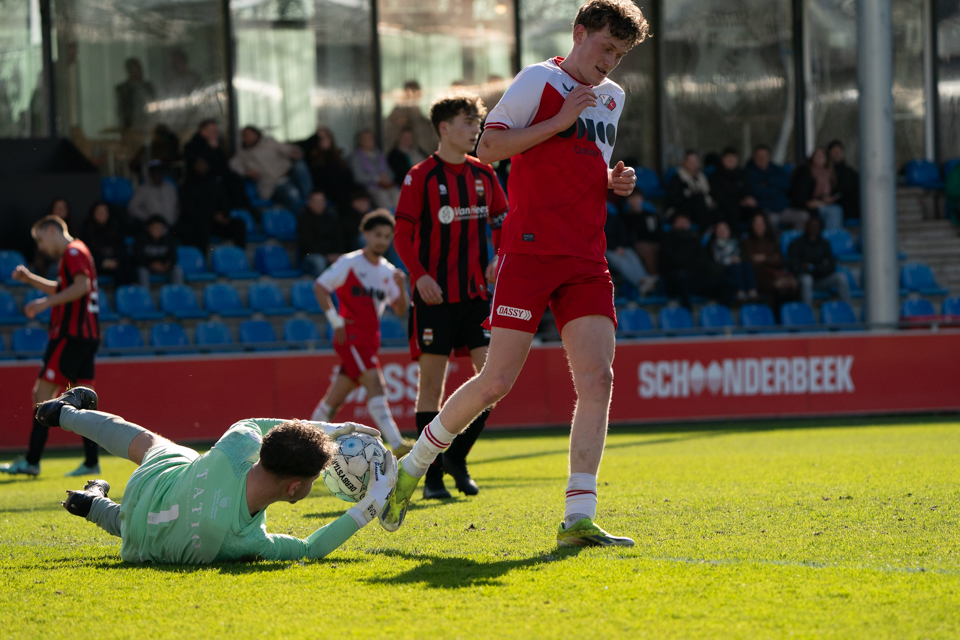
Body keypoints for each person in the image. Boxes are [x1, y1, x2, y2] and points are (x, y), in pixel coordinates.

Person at [379, 0, 648, 547]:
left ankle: (578, 515)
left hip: (586, 255)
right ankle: (412, 469)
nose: (611, 63)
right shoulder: (539, 81)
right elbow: (492, 145)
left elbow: (580, 166)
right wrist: (559, 119)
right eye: (605, 48)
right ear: (579, 33)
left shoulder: (613, 97)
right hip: (529, 251)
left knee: (599, 378)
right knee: (495, 382)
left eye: (620, 54)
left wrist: (613, 181)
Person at [40, 387, 396, 564]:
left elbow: (256, 424)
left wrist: (331, 428)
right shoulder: (245, 543)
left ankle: (64, 415)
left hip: (148, 486)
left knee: (157, 447)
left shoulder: (237, 447)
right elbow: (311, 548)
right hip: (137, 543)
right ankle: (93, 505)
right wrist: (371, 503)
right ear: (293, 489)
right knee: (152, 521)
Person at [393, 91, 509, 499]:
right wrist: (420, 275)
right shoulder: (421, 176)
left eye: (476, 122)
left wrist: (501, 257)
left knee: (493, 381)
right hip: (435, 298)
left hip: (477, 295)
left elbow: (502, 221)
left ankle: (455, 456)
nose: (475, 128)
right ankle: (431, 479)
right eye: (467, 122)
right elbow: (402, 234)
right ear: (444, 128)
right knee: (431, 387)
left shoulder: (484, 175)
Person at [0, 216, 100, 478]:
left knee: (40, 395)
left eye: (41, 240)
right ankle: (92, 462)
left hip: (69, 336)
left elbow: (81, 286)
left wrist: (45, 304)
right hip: (87, 337)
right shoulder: (81, 249)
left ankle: (32, 460)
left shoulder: (72, 251)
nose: (41, 247)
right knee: (84, 402)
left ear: (52, 230)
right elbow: (65, 287)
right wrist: (31, 279)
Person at [309, 210, 414, 458]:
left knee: (334, 400)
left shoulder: (389, 272)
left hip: (369, 340)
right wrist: (335, 321)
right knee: (376, 384)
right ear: (366, 234)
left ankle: (305, 437)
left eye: (387, 236)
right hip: (351, 337)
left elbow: (400, 309)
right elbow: (320, 287)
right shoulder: (350, 262)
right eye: (377, 235)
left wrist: (401, 285)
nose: (382, 240)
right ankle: (397, 444)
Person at [230, 126, 313, 213]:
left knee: (300, 165)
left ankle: (311, 197)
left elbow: (286, 148)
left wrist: (294, 151)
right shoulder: (242, 154)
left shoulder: (269, 142)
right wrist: (245, 171)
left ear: (256, 134)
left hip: (288, 174)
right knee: (292, 194)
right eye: (244, 135)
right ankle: (302, 220)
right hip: (273, 184)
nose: (247, 137)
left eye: (249, 134)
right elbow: (232, 165)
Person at [660, 212, 734, 309]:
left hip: (695, 279)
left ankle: (722, 316)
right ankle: (687, 316)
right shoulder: (667, 240)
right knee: (682, 277)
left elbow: (703, 262)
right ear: (673, 225)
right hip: (676, 281)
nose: (683, 224)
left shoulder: (695, 240)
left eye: (686, 222)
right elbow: (670, 262)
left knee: (726, 282)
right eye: (680, 222)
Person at [179, 155, 247, 252]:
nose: (202, 167)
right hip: (198, 223)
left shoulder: (214, 183)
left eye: (204, 164)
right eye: (199, 164)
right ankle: (202, 260)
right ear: (193, 166)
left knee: (239, 224)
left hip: (216, 223)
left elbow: (224, 202)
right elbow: (189, 209)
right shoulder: (186, 186)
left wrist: (223, 214)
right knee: (200, 228)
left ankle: (240, 255)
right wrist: (212, 215)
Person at [183, 119, 250, 211]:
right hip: (201, 188)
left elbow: (224, 168)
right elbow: (202, 170)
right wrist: (212, 150)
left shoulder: (218, 146)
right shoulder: (192, 147)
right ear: (203, 131)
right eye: (212, 130)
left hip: (220, 185)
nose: (215, 133)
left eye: (216, 131)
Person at [787, 217, 851, 307]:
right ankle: (808, 313)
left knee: (841, 277)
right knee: (807, 280)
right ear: (806, 227)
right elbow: (794, 266)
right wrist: (819, 267)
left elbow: (831, 266)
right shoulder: (796, 244)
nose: (813, 229)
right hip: (802, 280)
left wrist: (813, 267)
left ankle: (848, 309)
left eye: (816, 227)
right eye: (811, 226)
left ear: (820, 229)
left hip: (821, 280)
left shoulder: (824, 244)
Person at [741, 212, 798, 306]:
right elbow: (750, 263)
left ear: (766, 225)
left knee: (793, 284)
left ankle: (790, 315)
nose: (759, 226)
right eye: (756, 223)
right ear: (752, 225)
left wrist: (764, 258)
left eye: (761, 223)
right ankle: (777, 316)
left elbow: (780, 262)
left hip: (774, 274)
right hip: (758, 278)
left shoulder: (772, 242)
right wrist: (771, 259)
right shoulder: (747, 243)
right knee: (780, 286)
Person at [744, 145, 807, 230]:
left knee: (803, 216)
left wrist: (768, 183)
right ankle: (774, 243)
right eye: (759, 156)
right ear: (754, 157)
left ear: (769, 157)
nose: (762, 159)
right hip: (765, 209)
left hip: (783, 208)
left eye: (764, 156)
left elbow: (787, 184)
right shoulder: (749, 172)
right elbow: (758, 192)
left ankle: (794, 242)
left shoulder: (776, 169)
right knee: (771, 220)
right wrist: (777, 188)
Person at [299, 127, 358, 211]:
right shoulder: (313, 157)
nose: (324, 140)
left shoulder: (338, 156)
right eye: (320, 138)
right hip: (327, 192)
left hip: (344, 192)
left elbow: (347, 175)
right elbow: (301, 149)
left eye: (326, 137)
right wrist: (314, 137)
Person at [604, 201, 656, 297]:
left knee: (633, 258)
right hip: (606, 250)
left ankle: (644, 279)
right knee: (622, 262)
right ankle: (642, 282)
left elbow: (623, 233)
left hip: (621, 247)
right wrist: (614, 247)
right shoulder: (593, 222)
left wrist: (622, 246)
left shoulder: (614, 219)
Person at [790, 147, 843, 231]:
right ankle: (830, 240)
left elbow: (835, 191)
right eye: (817, 155)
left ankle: (833, 238)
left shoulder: (830, 173)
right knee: (833, 211)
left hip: (824, 204)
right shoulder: (804, 172)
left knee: (836, 209)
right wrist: (809, 202)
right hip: (807, 205)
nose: (820, 157)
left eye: (822, 155)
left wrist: (829, 199)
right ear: (812, 157)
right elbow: (798, 194)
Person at [81, 201, 130, 285]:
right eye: (99, 212)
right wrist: (103, 263)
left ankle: (124, 294)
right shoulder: (86, 231)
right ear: (93, 213)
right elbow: (86, 254)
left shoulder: (115, 229)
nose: (102, 214)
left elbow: (121, 251)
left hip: (114, 264)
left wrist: (114, 262)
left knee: (125, 269)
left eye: (104, 211)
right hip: (95, 265)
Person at [667, 150, 719, 229]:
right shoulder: (677, 179)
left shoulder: (702, 178)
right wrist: (689, 195)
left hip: (699, 210)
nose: (693, 163)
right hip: (682, 211)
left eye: (695, 161)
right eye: (690, 161)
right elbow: (674, 200)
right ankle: (707, 230)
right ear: (684, 162)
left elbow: (708, 194)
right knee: (698, 198)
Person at [298, 191, 345, 278]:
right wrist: (326, 255)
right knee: (319, 261)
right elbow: (308, 244)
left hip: (330, 254)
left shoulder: (332, 217)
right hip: (311, 256)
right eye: (315, 201)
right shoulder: (304, 219)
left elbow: (339, 238)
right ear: (309, 202)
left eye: (321, 201)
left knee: (346, 260)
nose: (318, 204)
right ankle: (322, 289)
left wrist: (338, 253)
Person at [349, 129, 400, 210]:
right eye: (365, 139)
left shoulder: (380, 154)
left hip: (386, 185)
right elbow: (358, 177)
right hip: (369, 187)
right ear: (361, 141)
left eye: (370, 138)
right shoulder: (356, 157)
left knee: (397, 194)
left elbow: (390, 172)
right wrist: (377, 178)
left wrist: (386, 178)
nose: (368, 141)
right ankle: (390, 219)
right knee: (382, 195)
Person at [707, 220, 757, 302]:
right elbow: (716, 262)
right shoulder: (713, 245)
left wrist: (738, 259)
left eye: (725, 229)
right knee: (735, 266)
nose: (723, 232)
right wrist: (729, 260)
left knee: (747, 265)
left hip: (738, 266)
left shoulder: (735, 242)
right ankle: (739, 292)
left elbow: (742, 256)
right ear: (716, 232)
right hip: (724, 270)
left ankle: (752, 291)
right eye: (720, 230)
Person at [384, 80, 438, 154]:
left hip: (422, 153)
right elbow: (391, 131)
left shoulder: (420, 111)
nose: (413, 95)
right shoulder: (399, 110)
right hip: (403, 155)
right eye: (410, 92)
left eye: (415, 92)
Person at [709, 147, 758, 228]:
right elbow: (720, 197)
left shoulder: (742, 174)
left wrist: (749, 199)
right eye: (728, 158)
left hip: (742, 208)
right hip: (725, 209)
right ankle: (734, 238)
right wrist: (740, 202)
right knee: (732, 211)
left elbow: (747, 191)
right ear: (722, 159)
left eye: (733, 158)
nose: (731, 161)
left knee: (757, 213)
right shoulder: (715, 176)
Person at [133, 215, 184, 289]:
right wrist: (151, 264)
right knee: (142, 271)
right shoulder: (141, 239)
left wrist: (167, 264)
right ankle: (145, 296)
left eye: (160, 228)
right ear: (148, 228)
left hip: (163, 267)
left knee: (177, 270)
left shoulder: (168, 239)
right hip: (147, 267)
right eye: (155, 228)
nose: (158, 230)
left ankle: (178, 293)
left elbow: (173, 257)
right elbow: (137, 257)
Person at [128, 159, 179, 230]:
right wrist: (148, 218)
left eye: (159, 172)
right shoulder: (143, 189)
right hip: (153, 229)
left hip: (171, 227)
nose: (157, 175)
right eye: (154, 172)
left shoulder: (170, 187)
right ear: (150, 174)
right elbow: (132, 207)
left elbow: (176, 207)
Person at [621, 189, 660, 275]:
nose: (635, 200)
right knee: (648, 250)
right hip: (638, 243)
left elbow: (656, 230)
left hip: (654, 241)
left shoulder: (650, 215)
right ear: (628, 201)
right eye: (632, 198)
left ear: (642, 199)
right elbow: (627, 234)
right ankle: (653, 277)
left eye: (637, 197)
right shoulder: (626, 217)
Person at [827, 140, 860, 222]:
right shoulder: (827, 171)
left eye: (839, 151)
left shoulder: (849, 171)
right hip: (837, 202)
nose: (837, 153)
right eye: (834, 151)